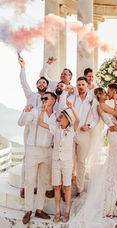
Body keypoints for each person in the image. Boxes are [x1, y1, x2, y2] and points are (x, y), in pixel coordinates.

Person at [18, 92, 57, 224]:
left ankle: (39, 209)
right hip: (32, 150)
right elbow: (20, 123)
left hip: (47, 151)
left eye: (46, 98)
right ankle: (28, 210)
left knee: (43, 182)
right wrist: (25, 111)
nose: (43, 100)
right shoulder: (34, 111)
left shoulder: (56, 116)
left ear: (53, 100)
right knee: (29, 181)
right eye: (42, 98)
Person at [38, 100, 80, 223]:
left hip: (67, 162)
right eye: (59, 117)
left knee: (67, 187)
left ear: (67, 119)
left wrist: (71, 107)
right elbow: (41, 123)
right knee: (56, 187)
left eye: (61, 117)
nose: (59, 118)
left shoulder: (72, 130)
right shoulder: (55, 129)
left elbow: (78, 119)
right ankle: (57, 212)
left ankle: (66, 211)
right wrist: (42, 111)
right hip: (56, 161)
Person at [18, 56, 50, 199]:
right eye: (39, 82)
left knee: (42, 160)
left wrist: (47, 66)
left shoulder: (50, 98)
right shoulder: (31, 95)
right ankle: (24, 186)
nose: (41, 84)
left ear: (47, 85)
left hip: (44, 131)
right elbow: (23, 83)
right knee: (27, 157)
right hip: (30, 129)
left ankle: (40, 186)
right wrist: (23, 67)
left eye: (44, 82)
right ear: (37, 85)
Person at [94, 87, 117, 217]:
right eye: (103, 93)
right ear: (99, 95)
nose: (106, 94)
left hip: (114, 132)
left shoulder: (102, 105)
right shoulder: (102, 105)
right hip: (114, 133)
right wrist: (115, 100)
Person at [68, 76, 99, 195]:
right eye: (79, 85)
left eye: (83, 84)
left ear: (87, 86)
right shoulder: (71, 98)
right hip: (70, 132)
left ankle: (79, 188)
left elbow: (96, 118)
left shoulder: (92, 100)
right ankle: (68, 186)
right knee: (69, 160)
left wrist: (89, 125)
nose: (80, 87)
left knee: (81, 161)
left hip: (83, 133)